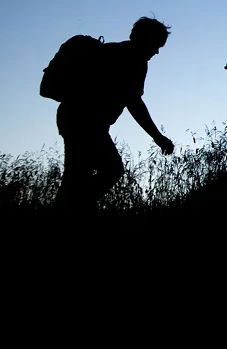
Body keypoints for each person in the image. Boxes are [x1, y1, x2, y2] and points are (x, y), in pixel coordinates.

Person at [53, 17, 174, 213]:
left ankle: (74, 207)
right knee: (109, 170)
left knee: (77, 176)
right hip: (85, 122)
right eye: (156, 45)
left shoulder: (112, 50)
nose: (157, 51)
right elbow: (134, 102)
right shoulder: (133, 60)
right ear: (146, 39)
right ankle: (76, 208)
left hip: (74, 117)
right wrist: (157, 136)